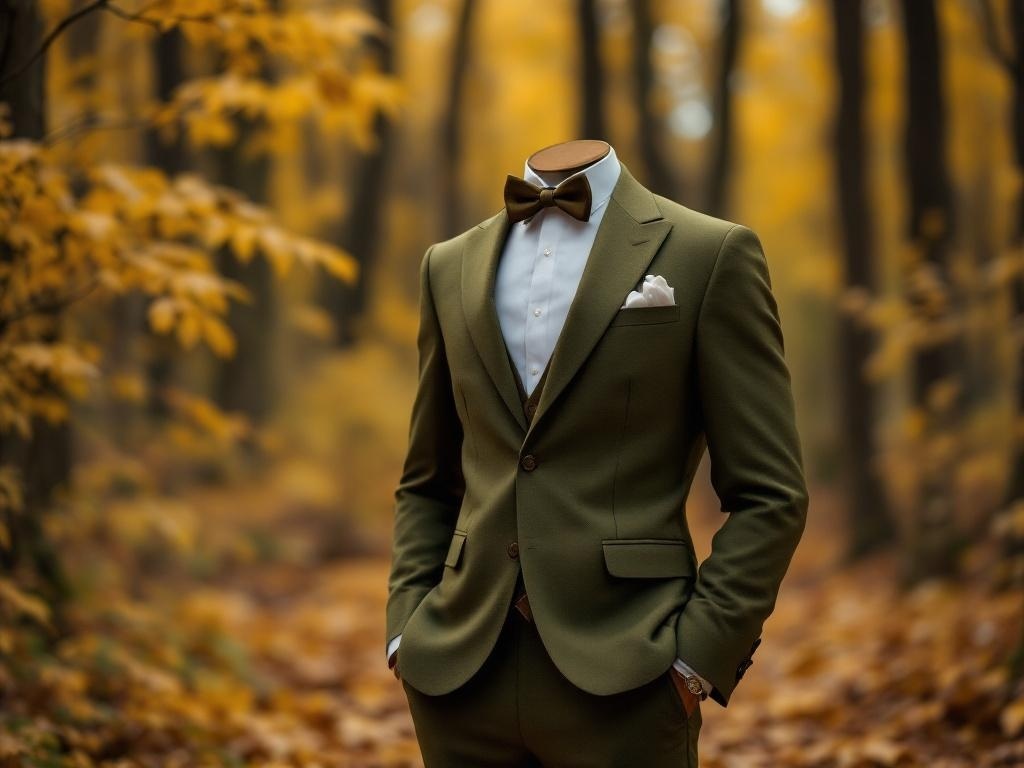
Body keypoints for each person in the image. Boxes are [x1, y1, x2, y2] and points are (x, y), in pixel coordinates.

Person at [386, 140, 808, 767]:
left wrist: (697, 659)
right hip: (458, 675)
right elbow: (427, 479)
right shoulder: (448, 264)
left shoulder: (708, 253)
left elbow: (771, 493)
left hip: (630, 675)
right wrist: (405, 632)